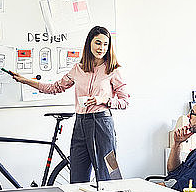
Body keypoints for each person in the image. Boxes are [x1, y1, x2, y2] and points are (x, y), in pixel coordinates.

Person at [11, 25, 129, 183]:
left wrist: (104, 100)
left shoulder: (113, 70)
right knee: (77, 178)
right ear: (89, 43)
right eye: (98, 43)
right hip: (80, 124)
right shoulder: (78, 69)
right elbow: (55, 88)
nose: (101, 48)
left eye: (105, 44)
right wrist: (25, 81)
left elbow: (125, 101)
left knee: (108, 174)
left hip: (102, 124)